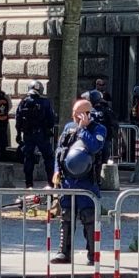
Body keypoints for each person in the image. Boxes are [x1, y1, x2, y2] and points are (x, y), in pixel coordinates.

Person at [50, 99, 106, 265]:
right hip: (68, 180)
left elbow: (95, 146)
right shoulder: (68, 128)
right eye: (73, 115)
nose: (74, 118)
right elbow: (60, 151)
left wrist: (82, 129)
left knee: (89, 218)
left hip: (87, 181)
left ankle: (93, 255)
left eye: (77, 115)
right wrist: (56, 171)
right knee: (66, 216)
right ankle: (64, 252)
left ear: (87, 114)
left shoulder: (99, 129)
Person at [15, 80, 56, 188]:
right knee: (48, 158)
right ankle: (51, 183)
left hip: (28, 135)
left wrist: (18, 134)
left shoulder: (23, 102)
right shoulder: (45, 102)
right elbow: (51, 119)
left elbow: (18, 119)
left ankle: (28, 183)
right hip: (42, 134)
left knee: (28, 158)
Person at [82, 89, 119, 174]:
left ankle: (100, 177)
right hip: (94, 139)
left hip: (103, 139)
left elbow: (114, 125)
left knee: (102, 159)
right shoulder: (89, 110)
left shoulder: (105, 110)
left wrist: (110, 135)